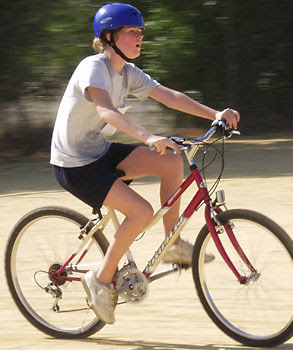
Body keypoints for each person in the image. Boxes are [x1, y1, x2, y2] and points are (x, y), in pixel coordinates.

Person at [50, 3, 240, 324]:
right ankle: (100, 280)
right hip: (74, 164)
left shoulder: (127, 72)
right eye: (132, 32)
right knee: (140, 211)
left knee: (171, 161)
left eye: (141, 33)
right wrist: (149, 136)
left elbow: (169, 96)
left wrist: (216, 114)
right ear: (109, 36)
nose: (140, 38)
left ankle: (174, 245)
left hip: (98, 150)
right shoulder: (94, 68)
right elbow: (107, 112)